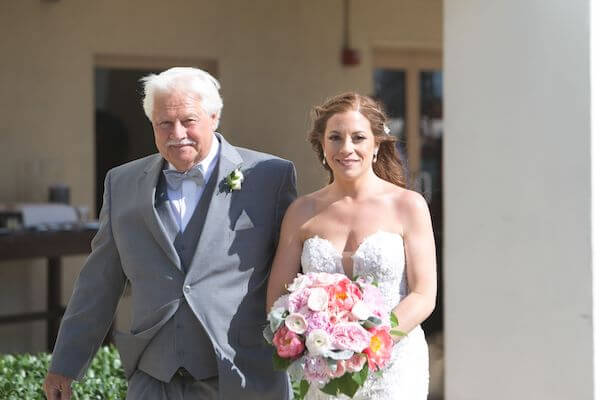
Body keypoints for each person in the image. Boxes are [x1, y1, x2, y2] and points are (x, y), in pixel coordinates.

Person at [43, 67, 297, 400]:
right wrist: (65, 364)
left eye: (189, 121)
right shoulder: (121, 184)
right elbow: (99, 282)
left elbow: (296, 273)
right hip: (153, 377)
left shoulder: (269, 177)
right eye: (164, 123)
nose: (177, 133)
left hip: (241, 374)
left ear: (214, 117)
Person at [266, 92, 436, 399]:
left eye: (358, 137)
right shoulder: (301, 212)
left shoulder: (408, 205)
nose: (346, 148)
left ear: (376, 145)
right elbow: (277, 299)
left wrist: (370, 342)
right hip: (321, 371)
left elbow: (424, 294)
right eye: (335, 138)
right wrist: (312, 341)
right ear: (322, 146)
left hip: (394, 367)